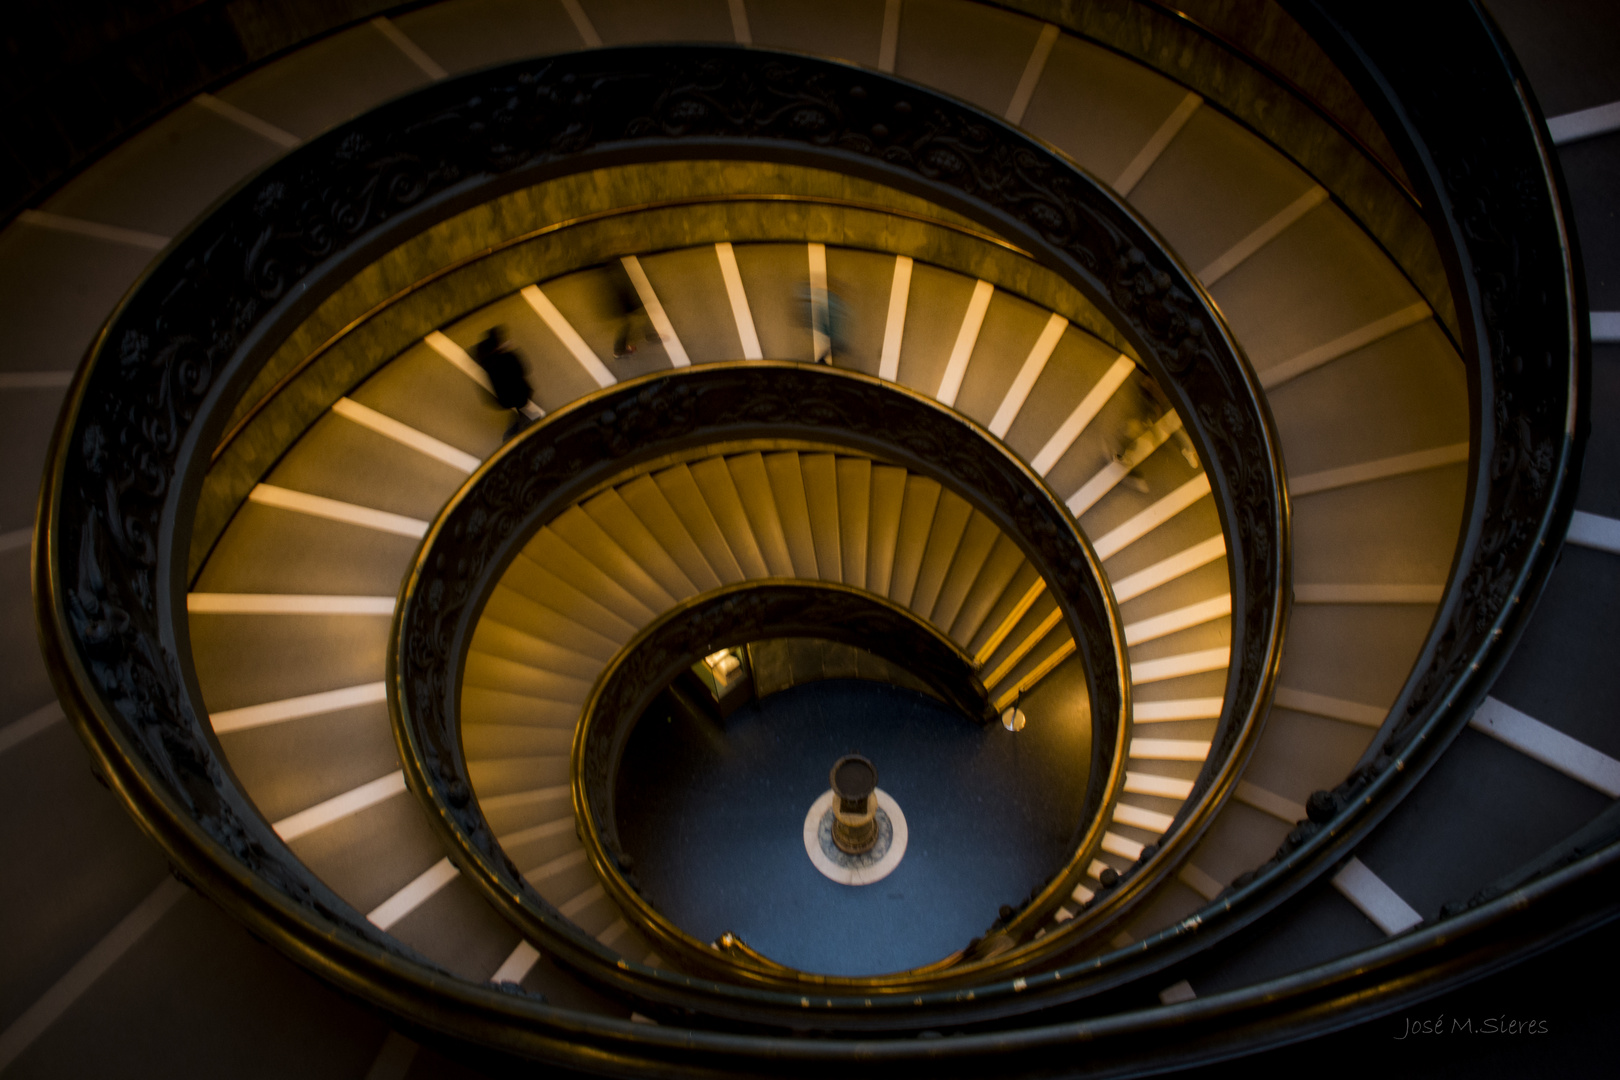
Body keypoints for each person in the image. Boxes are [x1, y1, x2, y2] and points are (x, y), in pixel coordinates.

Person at [473, 325, 535, 440]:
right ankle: (519, 426)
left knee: (519, 407)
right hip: (518, 392)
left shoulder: (488, 361)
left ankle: (519, 423)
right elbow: (523, 369)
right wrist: (510, 351)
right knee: (521, 408)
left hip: (504, 397)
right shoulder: (508, 357)